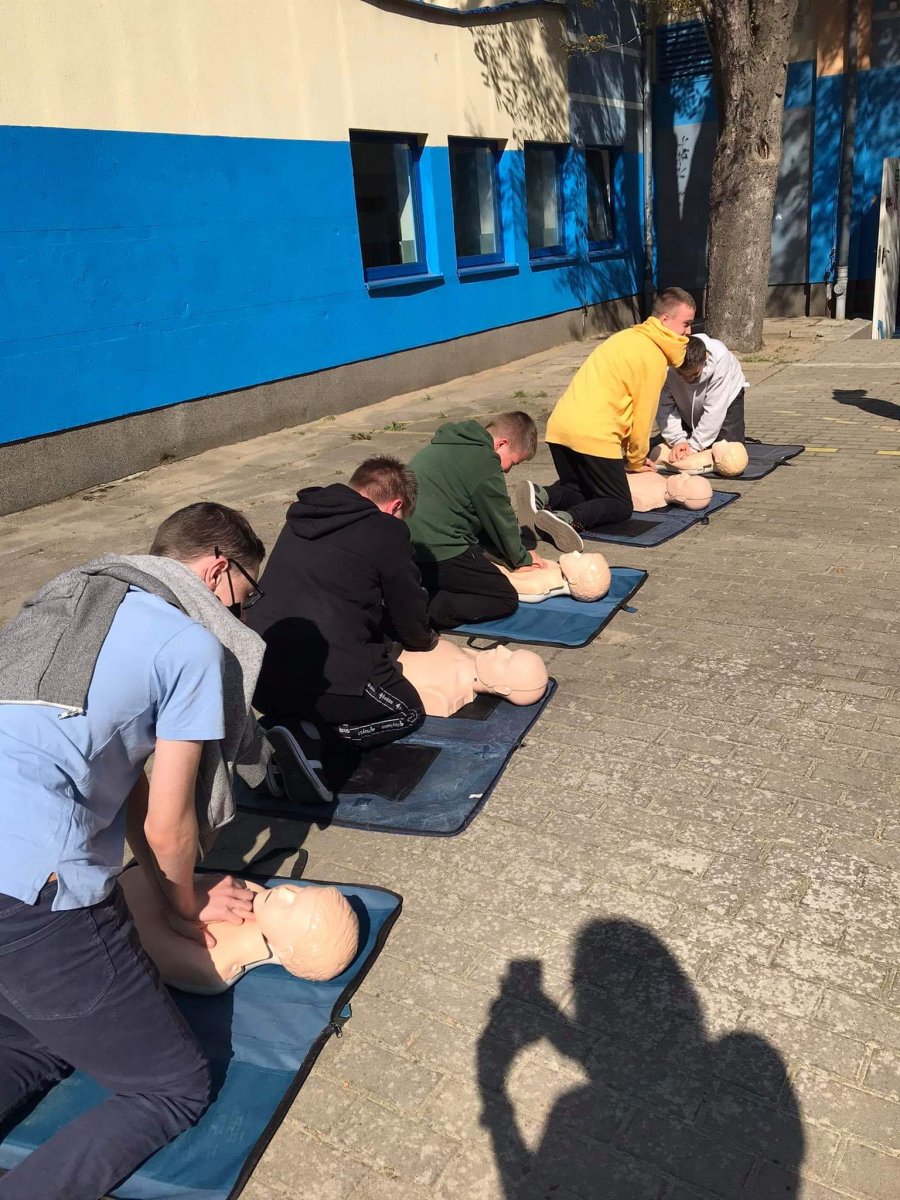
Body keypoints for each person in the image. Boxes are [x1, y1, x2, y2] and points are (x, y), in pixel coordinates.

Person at [0, 502, 268, 1200]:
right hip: (28, 886)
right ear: (218, 569)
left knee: (30, 1039)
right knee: (170, 1086)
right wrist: (186, 902)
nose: (245, 613)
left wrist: (161, 877)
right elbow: (169, 823)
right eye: (248, 594)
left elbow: (126, 784)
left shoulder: (63, 598)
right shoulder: (189, 645)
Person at [248, 456, 436, 750]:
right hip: (326, 686)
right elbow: (408, 611)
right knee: (407, 712)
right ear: (395, 505)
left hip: (259, 678)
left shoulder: (303, 516)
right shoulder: (385, 530)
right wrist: (424, 641)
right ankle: (309, 739)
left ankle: (282, 729)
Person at [514, 288, 693, 540]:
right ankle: (566, 520)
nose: (688, 331)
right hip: (594, 434)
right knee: (619, 504)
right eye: (685, 324)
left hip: (560, 428)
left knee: (580, 490)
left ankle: (541, 495)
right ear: (665, 320)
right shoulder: (653, 356)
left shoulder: (626, 337)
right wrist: (636, 462)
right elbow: (642, 419)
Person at [405, 412, 548, 629]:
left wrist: (500, 556)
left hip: (404, 544)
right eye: (513, 462)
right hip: (437, 549)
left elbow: (480, 523)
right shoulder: (484, 461)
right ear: (501, 444)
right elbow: (501, 519)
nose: (508, 470)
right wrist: (521, 559)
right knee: (504, 597)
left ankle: (416, 588)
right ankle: (427, 608)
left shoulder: (449, 441)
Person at [658, 333, 747, 460]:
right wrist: (677, 440)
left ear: (705, 359)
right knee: (670, 446)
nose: (687, 379)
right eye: (681, 374)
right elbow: (665, 407)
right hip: (684, 400)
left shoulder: (720, 358)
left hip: (728, 395)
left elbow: (715, 409)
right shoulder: (666, 365)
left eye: (694, 374)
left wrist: (694, 446)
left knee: (731, 453)